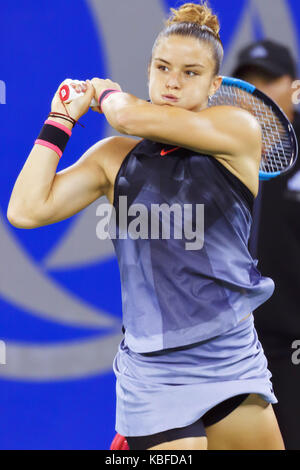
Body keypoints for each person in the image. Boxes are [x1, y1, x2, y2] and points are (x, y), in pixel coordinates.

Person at [7, 2, 285, 450]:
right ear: (149, 69)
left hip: (230, 355)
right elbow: (25, 210)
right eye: (162, 67)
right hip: (154, 371)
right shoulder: (114, 158)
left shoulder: (237, 129)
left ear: (216, 85)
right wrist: (60, 120)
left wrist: (104, 95)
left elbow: (128, 115)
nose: (172, 82)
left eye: (191, 73)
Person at [232, 39, 300, 450]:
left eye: (270, 80)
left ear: (293, 87)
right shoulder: (217, 157)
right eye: (249, 82)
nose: (259, 92)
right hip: (234, 347)